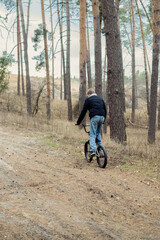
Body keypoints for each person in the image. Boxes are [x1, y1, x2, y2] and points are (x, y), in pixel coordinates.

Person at [76, 88, 107, 157]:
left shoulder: (88, 100)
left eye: (87, 95)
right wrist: (103, 120)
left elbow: (83, 111)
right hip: (102, 117)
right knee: (98, 133)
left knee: (92, 134)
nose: (87, 97)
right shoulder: (100, 99)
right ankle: (100, 149)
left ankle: (92, 150)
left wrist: (78, 122)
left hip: (95, 117)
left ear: (89, 94)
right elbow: (105, 110)